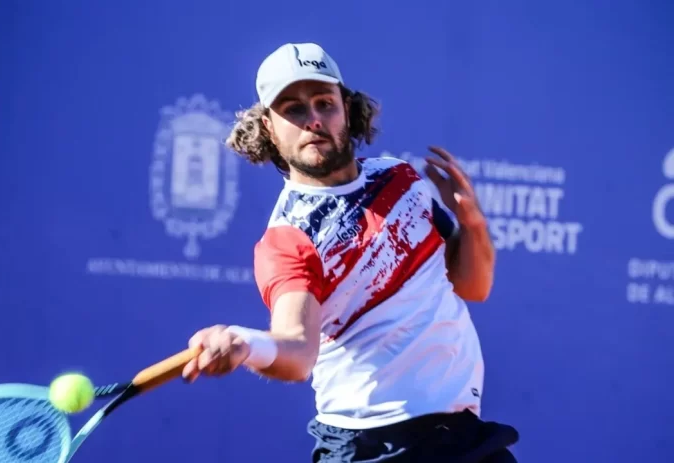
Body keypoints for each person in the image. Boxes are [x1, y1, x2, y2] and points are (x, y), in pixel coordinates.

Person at [181, 42, 519, 462]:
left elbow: (473, 285)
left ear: (347, 108)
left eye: (325, 103)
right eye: (293, 109)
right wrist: (245, 343)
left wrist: (472, 223)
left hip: (464, 436)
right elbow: (297, 351)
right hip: (374, 448)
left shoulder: (400, 177)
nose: (313, 120)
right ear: (268, 127)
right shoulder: (288, 236)